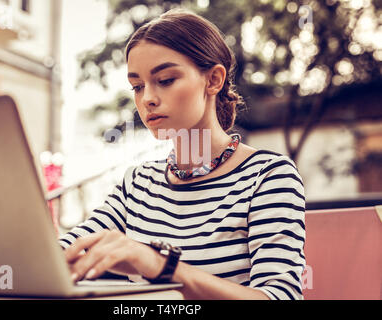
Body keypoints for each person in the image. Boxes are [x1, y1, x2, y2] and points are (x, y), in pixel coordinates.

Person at [59, 9, 306, 300]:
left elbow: (280, 296)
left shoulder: (268, 177)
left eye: (165, 80)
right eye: (137, 86)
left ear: (213, 80)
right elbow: (66, 251)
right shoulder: (138, 183)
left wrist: (161, 266)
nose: (147, 98)